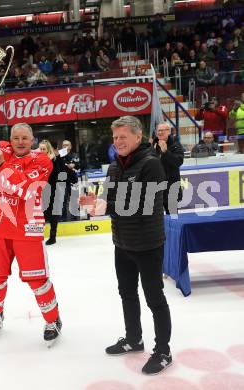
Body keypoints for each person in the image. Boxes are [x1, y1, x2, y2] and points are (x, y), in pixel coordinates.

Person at [79, 116, 172, 375]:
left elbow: (145, 206)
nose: (118, 142)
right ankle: (134, 339)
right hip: (122, 243)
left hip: (148, 244)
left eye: (123, 137)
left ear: (137, 137)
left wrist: (108, 207)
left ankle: (163, 350)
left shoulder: (151, 164)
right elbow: (110, 201)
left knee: (154, 298)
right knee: (127, 294)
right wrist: (94, 202)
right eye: (115, 137)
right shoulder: (113, 167)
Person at [0, 123, 62, 345]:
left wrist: (2, 165)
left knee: (37, 280)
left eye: (24, 138)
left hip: (27, 229)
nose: (20, 142)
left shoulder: (42, 160)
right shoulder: (4, 151)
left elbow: (27, 190)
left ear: (32, 140)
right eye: (16, 138)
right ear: (10, 140)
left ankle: (53, 320)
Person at [39, 140, 69, 245]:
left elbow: (61, 173)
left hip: (54, 190)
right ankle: (38, 236)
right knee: (40, 214)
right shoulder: (36, 160)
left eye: (44, 149)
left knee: (53, 214)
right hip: (41, 190)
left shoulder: (56, 159)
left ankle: (53, 236)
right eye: (40, 148)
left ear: (48, 149)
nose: (42, 151)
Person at [152, 123, 184, 215]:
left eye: (163, 130)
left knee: (173, 217)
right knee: (156, 220)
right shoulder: (153, 145)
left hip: (171, 188)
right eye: (159, 130)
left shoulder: (175, 145)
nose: (160, 132)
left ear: (169, 132)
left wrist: (166, 152)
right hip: (156, 189)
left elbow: (178, 162)